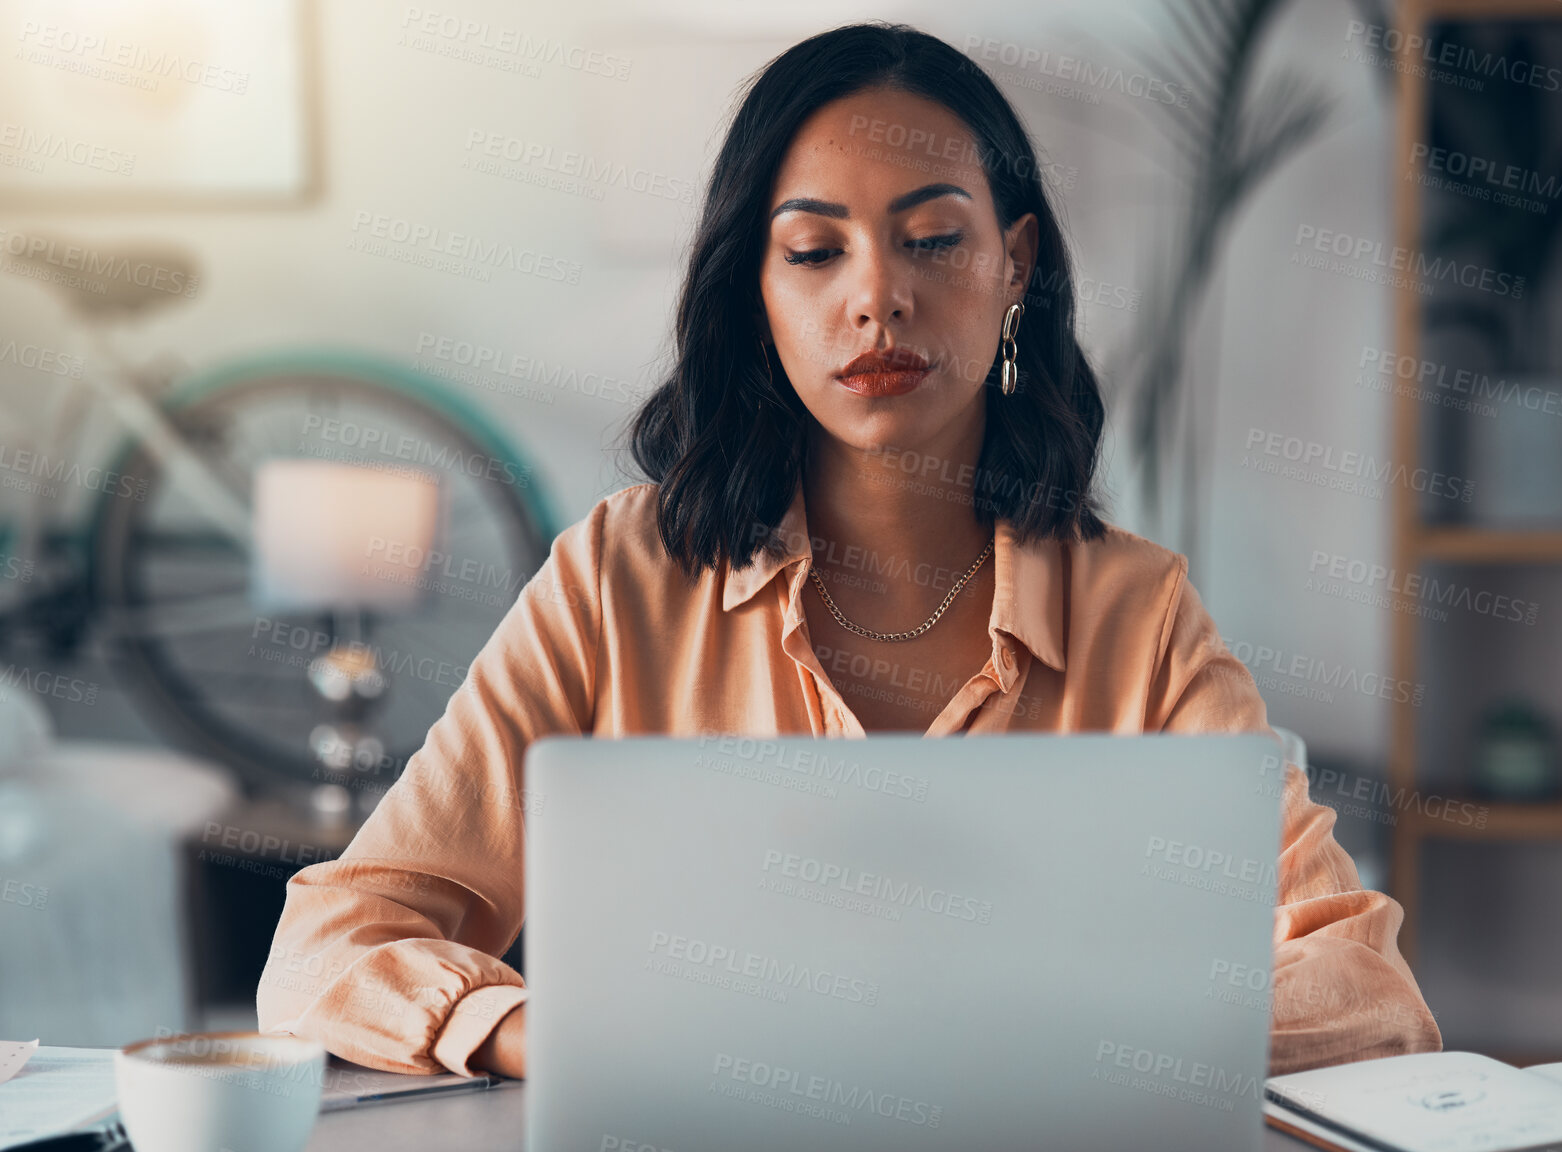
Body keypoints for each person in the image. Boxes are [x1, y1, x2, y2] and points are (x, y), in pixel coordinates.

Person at [257, 21, 1441, 1082]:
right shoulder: (614, 582)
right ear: (754, 294)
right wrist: (549, 1032)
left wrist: (1021, 1042)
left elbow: (1366, 993)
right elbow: (326, 948)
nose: (878, 297)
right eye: (814, 252)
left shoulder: (1134, 612)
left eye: (932, 239)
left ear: (1014, 265)